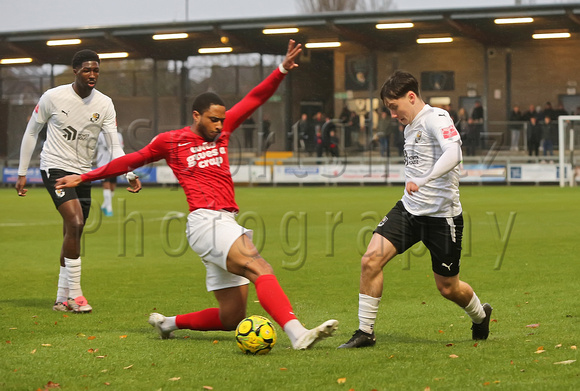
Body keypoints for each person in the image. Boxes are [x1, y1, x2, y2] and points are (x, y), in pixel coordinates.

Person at [55, 40, 338, 350]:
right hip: (206, 221)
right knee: (261, 267)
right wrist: (85, 175)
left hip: (224, 221)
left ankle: (168, 323)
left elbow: (255, 98)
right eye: (213, 120)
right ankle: (297, 334)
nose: (219, 125)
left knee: (232, 317)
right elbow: (130, 160)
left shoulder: (223, 130)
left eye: (222, 120)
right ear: (196, 116)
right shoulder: (171, 142)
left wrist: (282, 69)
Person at [338, 71, 492, 349]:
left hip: (442, 218)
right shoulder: (410, 125)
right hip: (409, 211)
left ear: (411, 97)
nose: (393, 114)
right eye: (388, 109)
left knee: (448, 288)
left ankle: (481, 316)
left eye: (394, 106)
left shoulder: (437, 118)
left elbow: (454, 153)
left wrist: (424, 179)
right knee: (370, 260)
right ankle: (365, 332)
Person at [15, 49, 140, 313]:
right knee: (75, 222)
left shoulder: (104, 103)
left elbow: (114, 146)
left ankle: (61, 299)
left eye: (96, 70)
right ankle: (76, 295)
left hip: (83, 174)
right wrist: (22, 172)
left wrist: (129, 173)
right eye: (87, 70)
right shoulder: (53, 97)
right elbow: (31, 132)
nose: (92, 74)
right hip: (56, 169)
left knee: (74, 231)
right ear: (75, 71)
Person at [96, 131, 124, 216]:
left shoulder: (118, 135)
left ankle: (104, 205)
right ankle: (109, 208)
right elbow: (94, 148)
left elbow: (121, 148)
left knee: (112, 186)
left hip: (114, 163)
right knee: (106, 185)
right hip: (103, 164)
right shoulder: (99, 135)